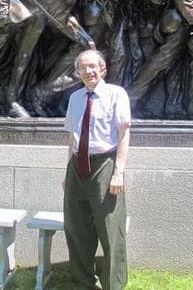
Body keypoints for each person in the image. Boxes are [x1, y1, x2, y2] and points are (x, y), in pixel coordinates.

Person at [63, 49, 131, 290]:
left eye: (93, 66)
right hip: (77, 167)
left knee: (110, 229)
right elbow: (72, 137)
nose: (89, 71)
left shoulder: (116, 95)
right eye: (83, 67)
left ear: (103, 69)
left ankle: (114, 284)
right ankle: (83, 282)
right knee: (75, 227)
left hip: (105, 165)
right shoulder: (75, 98)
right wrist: (66, 172)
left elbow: (124, 135)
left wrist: (118, 172)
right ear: (78, 73)